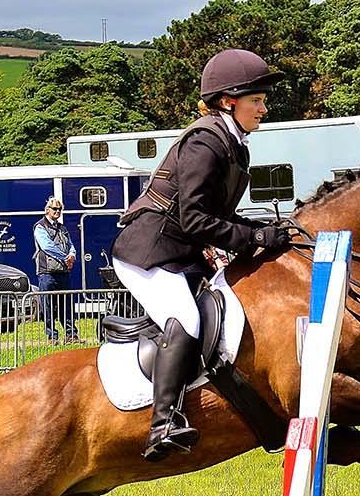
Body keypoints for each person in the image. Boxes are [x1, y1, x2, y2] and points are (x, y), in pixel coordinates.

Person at [111, 48, 293, 462]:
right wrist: (252, 238)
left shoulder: (232, 143)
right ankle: (163, 424)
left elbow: (220, 215)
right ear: (229, 101)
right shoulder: (205, 143)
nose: (264, 109)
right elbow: (195, 220)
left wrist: (266, 232)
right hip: (149, 251)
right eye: (257, 101)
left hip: (180, 251)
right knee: (187, 317)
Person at [34, 196, 79, 344]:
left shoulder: (63, 228)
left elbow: (71, 245)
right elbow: (46, 246)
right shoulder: (40, 226)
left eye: (60, 209)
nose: (58, 211)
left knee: (66, 305)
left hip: (63, 272)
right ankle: (51, 337)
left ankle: (71, 335)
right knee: (47, 305)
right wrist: (66, 257)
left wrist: (72, 255)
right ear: (47, 210)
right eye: (55, 209)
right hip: (47, 272)